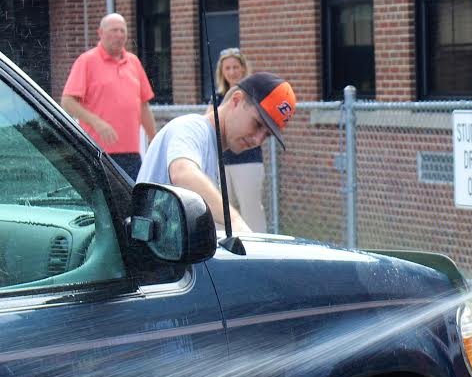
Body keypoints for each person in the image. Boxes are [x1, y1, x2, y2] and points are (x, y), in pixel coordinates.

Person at [137, 71, 296, 235]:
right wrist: (234, 221)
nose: (257, 140)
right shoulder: (191, 127)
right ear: (236, 100)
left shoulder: (211, 148)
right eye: (257, 124)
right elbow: (182, 173)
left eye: (267, 135)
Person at [62, 13, 158, 179]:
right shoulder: (87, 61)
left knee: (134, 200)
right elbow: (67, 102)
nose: (119, 35)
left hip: (131, 153)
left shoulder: (134, 62)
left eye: (123, 31)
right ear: (101, 33)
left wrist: (154, 139)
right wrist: (97, 122)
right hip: (98, 150)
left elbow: (143, 105)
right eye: (114, 30)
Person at [213, 48, 268, 233]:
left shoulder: (254, 94)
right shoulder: (217, 98)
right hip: (222, 162)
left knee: (251, 209)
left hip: (248, 161)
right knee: (220, 210)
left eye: (235, 67)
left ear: (244, 69)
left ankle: (260, 251)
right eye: (227, 68)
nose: (232, 72)